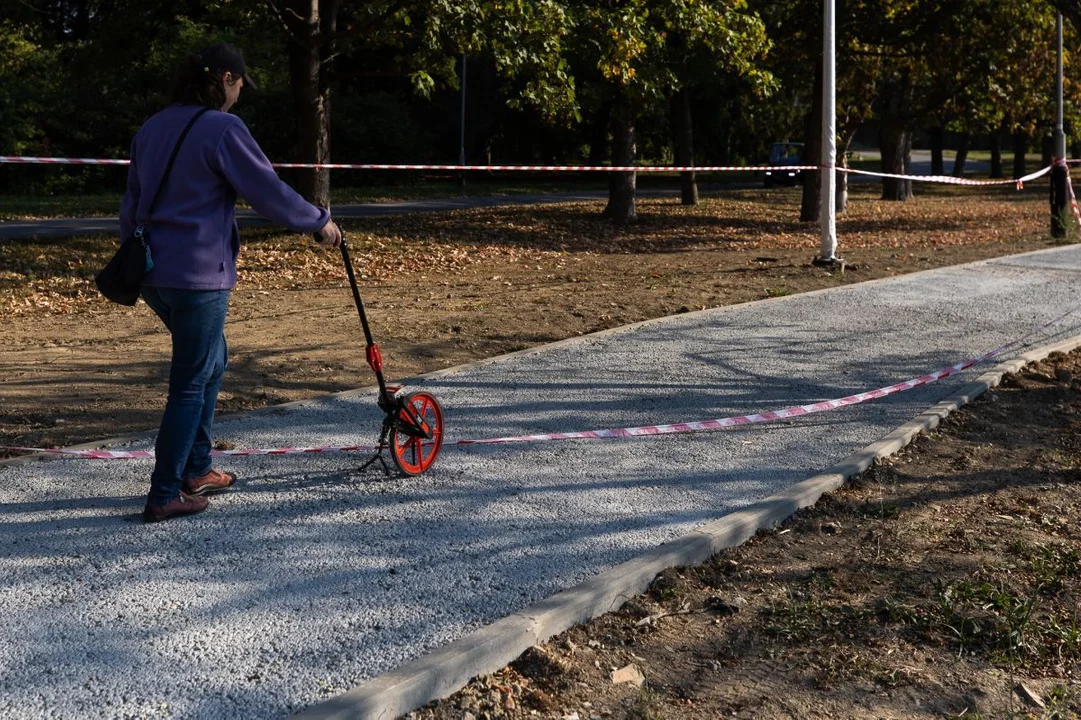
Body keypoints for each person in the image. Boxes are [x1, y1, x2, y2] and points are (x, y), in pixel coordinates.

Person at [120, 43, 342, 523]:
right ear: (225, 79)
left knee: (213, 359)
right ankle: (165, 493)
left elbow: (130, 202)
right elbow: (267, 190)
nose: (240, 94)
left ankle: (198, 467)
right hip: (199, 276)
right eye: (239, 84)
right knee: (190, 381)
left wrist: (134, 262)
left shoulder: (151, 127)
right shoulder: (222, 129)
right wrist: (317, 221)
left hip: (155, 274)